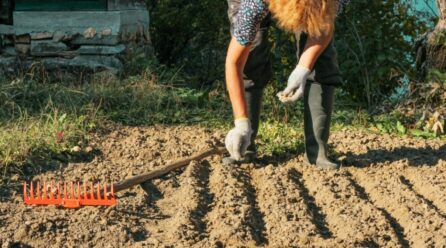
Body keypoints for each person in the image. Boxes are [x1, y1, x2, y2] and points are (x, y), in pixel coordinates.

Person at [223, 0, 349, 169]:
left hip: (320, 5)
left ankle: (317, 152)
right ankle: (245, 144)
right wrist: (241, 123)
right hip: (253, 4)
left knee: (321, 58)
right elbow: (234, 62)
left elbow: (325, 27)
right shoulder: (254, 5)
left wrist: (303, 68)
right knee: (251, 54)